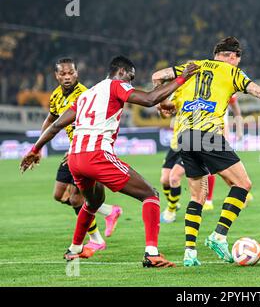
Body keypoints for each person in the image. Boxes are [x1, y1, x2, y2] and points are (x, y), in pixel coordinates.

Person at [20, 56, 199, 268]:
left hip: (75, 159)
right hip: (96, 155)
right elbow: (150, 99)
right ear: (122, 72)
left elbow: (57, 124)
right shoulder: (116, 85)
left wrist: (34, 149)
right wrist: (183, 78)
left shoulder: (87, 94)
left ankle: (75, 249)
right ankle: (152, 254)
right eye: (130, 77)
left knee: (93, 202)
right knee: (150, 195)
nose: (130, 83)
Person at [151, 36, 260, 266]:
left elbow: (157, 76)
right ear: (233, 56)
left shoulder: (192, 66)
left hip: (184, 138)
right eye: (238, 60)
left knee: (197, 196)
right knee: (243, 184)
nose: (238, 64)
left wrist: (161, 101)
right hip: (208, 135)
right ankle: (218, 236)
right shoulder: (231, 72)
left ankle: (189, 252)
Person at [42, 58, 122, 255]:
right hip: (72, 151)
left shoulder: (85, 95)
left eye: (71, 73)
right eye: (63, 74)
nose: (67, 77)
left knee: (77, 199)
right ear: (56, 75)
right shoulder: (56, 96)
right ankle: (109, 211)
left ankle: (96, 239)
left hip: (85, 151)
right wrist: (40, 142)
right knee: (60, 195)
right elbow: (52, 119)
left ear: (77, 73)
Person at [156, 93, 244, 223]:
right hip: (175, 143)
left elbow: (221, 118)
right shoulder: (181, 92)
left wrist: (228, 134)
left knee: (174, 177)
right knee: (164, 180)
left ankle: (171, 210)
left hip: (190, 143)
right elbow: (165, 114)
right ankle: (176, 204)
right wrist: (161, 109)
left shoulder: (208, 96)